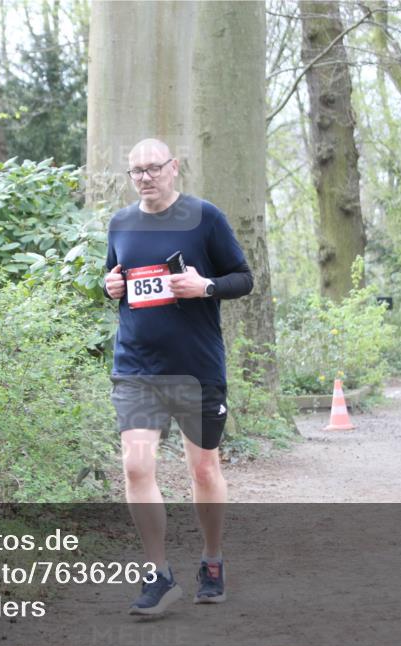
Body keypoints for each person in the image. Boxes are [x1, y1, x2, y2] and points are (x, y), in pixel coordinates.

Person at [103, 138, 253, 615]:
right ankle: (158, 574)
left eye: (153, 168)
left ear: (174, 167)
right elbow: (116, 279)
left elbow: (243, 278)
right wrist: (110, 285)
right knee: (135, 467)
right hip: (137, 368)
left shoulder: (204, 217)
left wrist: (205, 286)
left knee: (203, 469)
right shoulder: (121, 223)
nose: (145, 177)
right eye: (136, 171)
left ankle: (212, 559)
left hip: (195, 369)